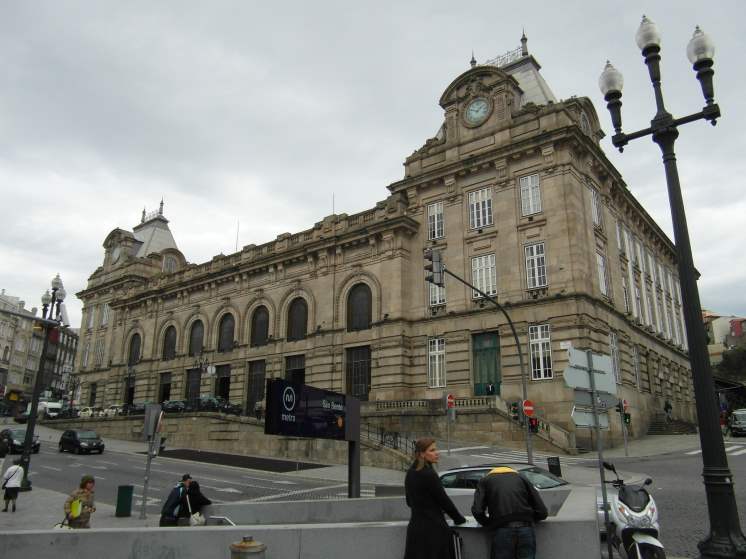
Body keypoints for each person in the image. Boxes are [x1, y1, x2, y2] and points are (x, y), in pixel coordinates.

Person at [403, 437, 466, 559]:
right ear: (422, 454)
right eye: (432, 450)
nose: (437, 453)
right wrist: (459, 519)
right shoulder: (429, 474)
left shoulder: (410, 473)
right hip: (434, 530)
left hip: (415, 529)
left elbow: (409, 502)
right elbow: (444, 501)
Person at [471, 466, 548, 559]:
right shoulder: (522, 478)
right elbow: (542, 511)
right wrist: (529, 519)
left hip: (501, 530)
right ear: (512, 471)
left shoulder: (485, 481)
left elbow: (477, 510)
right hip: (526, 529)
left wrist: (489, 523)